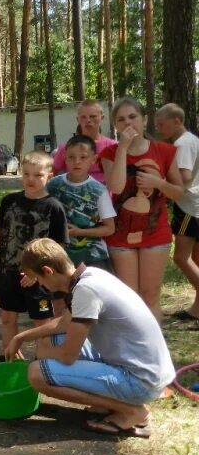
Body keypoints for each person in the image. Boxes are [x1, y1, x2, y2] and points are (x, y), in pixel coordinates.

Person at [6, 238, 175, 438]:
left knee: (36, 374)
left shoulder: (85, 291)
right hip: (146, 369)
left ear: (48, 271)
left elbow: (68, 356)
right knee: (49, 342)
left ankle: (131, 411)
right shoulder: (90, 275)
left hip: (140, 381)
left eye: (39, 279)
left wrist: (41, 355)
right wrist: (21, 337)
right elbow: (64, 324)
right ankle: (111, 403)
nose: (41, 285)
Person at [0, 151, 68, 358]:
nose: (31, 179)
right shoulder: (10, 201)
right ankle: (10, 362)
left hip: (41, 277)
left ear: (49, 177)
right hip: (8, 272)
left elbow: (59, 246)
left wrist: (36, 274)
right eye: (26, 174)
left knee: (42, 322)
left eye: (37, 175)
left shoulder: (54, 207)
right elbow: (1, 230)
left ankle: (42, 362)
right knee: (8, 319)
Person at [100, 97, 183, 322]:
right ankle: (133, 350)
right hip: (120, 234)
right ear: (115, 126)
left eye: (133, 117)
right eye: (121, 119)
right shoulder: (110, 153)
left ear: (144, 120)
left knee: (150, 296)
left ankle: (154, 353)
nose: (128, 123)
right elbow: (115, 187)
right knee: (129, 298)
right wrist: (123, 149)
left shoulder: (164, 151)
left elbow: (178, 192)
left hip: (155, 232)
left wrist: (159, 184)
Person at [155, 103, 199, 323]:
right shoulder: (192, 141)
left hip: (189, 207)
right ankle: (197, 309)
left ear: (177, 121)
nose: (159, 129)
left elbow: (183, 179)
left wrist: (158, 182)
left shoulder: (182, 144)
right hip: (195, 206)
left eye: (161, 124)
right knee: (196, 260)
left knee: (181, 257)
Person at [47, 135, 116, 270]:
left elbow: (109, 228)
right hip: (58, 254)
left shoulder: (99, 191)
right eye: (71, 157)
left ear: (94, 159)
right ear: (64, 158)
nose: (77, 162)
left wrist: (79, 232)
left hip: (92, 255)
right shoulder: (53, 185)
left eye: (83, 157)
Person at [52, 99, 117, 183]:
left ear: (102, 118)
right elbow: (51, 175)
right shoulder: (65, 148)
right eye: (83, 117)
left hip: (106, 194)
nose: (88, 120)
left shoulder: (113, 146)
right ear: (77, 119)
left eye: (93, 116)